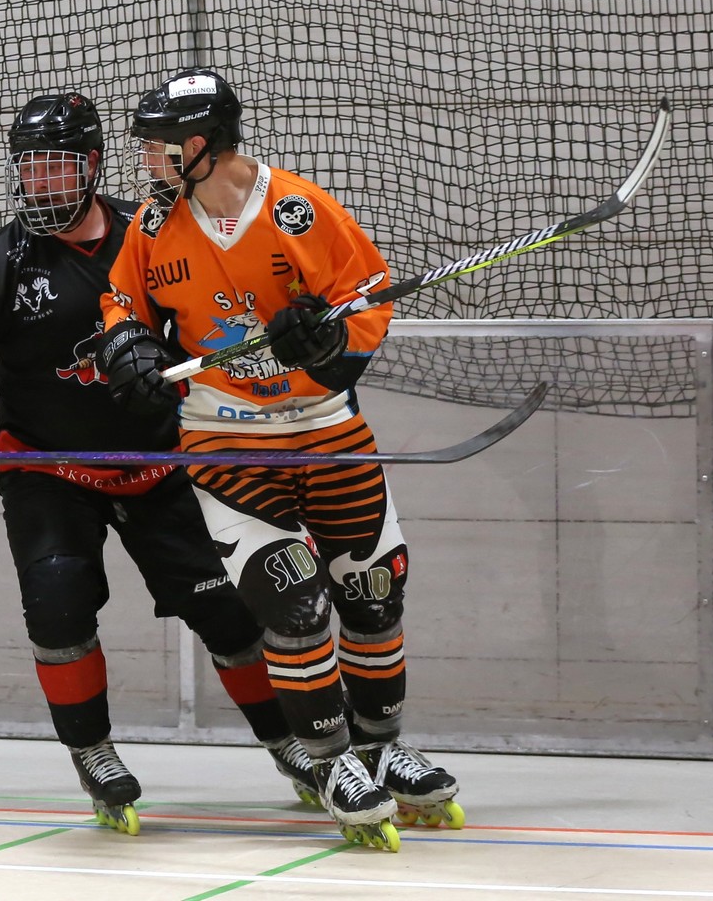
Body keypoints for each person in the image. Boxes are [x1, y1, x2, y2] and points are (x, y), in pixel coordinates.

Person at [0, 91, 316, 836]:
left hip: (160, 465)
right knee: (57, 604)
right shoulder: (6, 260)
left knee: (226, 611)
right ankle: (92, 751)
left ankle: (288, 742)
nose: (42, 183)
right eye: (30, 168)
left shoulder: (149, 237)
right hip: (48, 469)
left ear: (91, 166)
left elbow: (213, 321)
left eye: (58, 166)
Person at [97, 69, 461, 850]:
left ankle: (380, 749)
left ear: (201, 146)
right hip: (226, 440)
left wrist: (324, 339)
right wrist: (127, 345)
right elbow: (123, 302)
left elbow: (367, 301)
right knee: (292, 603)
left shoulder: (300, 209)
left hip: (326, 430)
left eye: (160, 146)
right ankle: (329, 762)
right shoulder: (156, 224)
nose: (148, 161)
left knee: (373, 593)